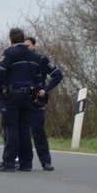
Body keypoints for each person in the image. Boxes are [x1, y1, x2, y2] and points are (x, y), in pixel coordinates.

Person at [0, 28, 61, 172]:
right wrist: (36, 90)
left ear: (11, 40)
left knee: (12, 129)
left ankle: (9, 163)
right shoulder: (34, 57)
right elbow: (37, 78)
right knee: (24, 130)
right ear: (23, 39)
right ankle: (26, 163)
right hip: (29, 97)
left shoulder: (10, 52)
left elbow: (0, 72)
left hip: (13, 96)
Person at [24, 36, 64, 171]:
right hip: (22, 101)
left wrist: (45, 89)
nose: (26, 48)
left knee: (38, 132)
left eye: (28, 45)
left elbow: (58, 75)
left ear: (34, 46)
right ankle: (24, 161)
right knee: (21, 132)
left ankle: (46, 161)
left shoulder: (42, 60)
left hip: (37, 101)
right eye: (23, 46)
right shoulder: (19, 62)